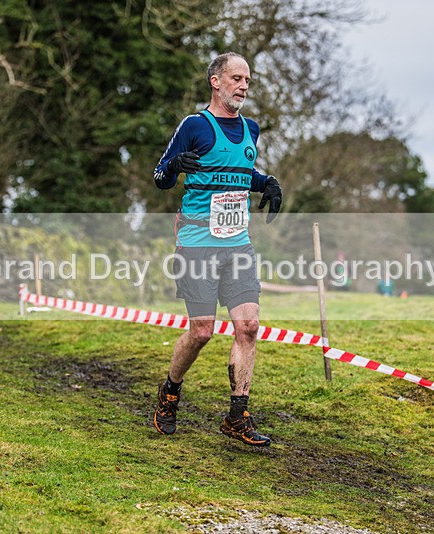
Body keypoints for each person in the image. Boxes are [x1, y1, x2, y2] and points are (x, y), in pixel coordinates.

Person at [151, 52, 282, 447]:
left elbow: (239, 174)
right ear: (216, 81)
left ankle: (237, 416)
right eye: (237, 78)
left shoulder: (251, 129)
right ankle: (170, 392)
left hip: (237, 245)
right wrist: (175, 165)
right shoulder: (195, 125)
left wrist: (267, 182)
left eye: (247, 79)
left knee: (249, 325)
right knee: (202, 330)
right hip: (196, 244)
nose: (244, 85)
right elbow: (160, 176)